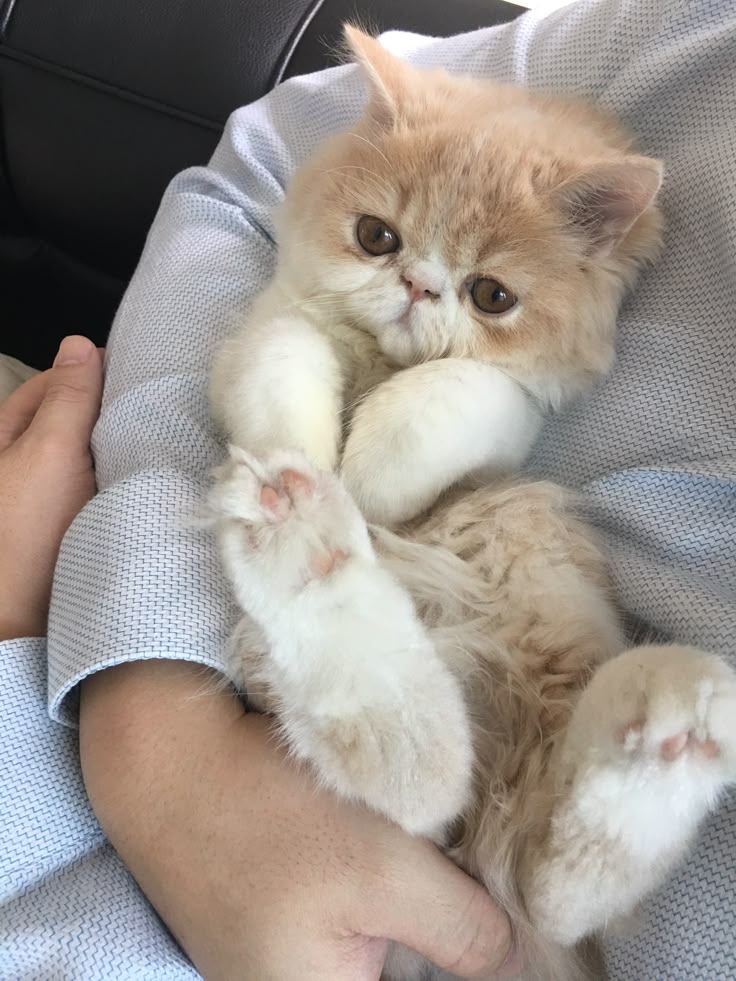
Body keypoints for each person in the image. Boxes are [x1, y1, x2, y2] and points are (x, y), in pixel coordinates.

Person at [2, 0, 735, 977]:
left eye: (485, 293)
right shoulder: (682, 38)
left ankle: (576, 838)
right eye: (384, 243)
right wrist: (148, 714)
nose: (415, 296)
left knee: (530, 574)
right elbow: (252, 165)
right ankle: (452, 759)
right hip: (244, 727)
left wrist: (37, 624)